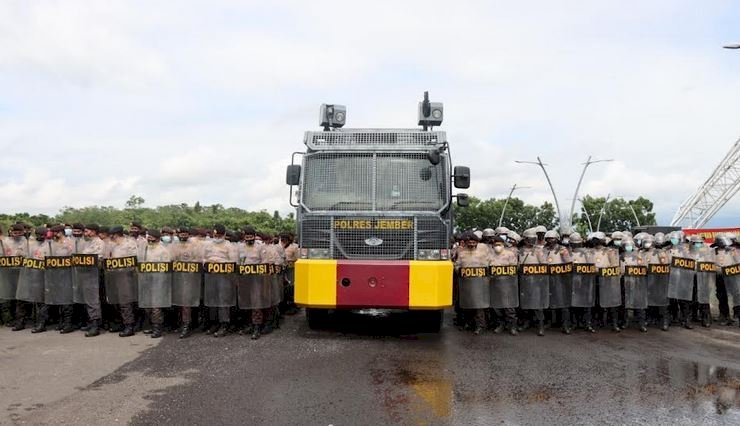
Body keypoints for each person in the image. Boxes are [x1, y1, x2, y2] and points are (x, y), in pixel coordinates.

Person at [202, 224, 238, 337]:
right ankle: (214, 323)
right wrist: (207, 262)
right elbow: (203, 258)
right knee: (212, 300)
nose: (217, 237)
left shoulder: (229, 246)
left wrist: (219, 262)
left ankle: (224, 324)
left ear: (224, 235)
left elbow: (234, 262)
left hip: (224, 277)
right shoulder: (207, 245)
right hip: (211, 276)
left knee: (223, 300)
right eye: (215, 235)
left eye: (220, 235)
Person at [454, 231, 492, 335]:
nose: (471, 244)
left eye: (473, 242)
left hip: (480, 283)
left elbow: (489, 265)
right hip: (467, 284)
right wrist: (459, 270)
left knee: (479, 306)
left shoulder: (483, 252)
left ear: (476, 242)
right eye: (469, 242)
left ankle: (480, 326)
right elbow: (457, 265)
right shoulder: (462, 253)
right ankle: (470, 324)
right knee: (468, 305)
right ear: (466, 242)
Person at [137, 229, 171, 338]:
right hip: (146, 280)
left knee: (156, 306)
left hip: (158, 281)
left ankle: (158, 328)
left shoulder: (163, 250)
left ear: (157, 238)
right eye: (148, 237)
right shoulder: (144, 249)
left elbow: (166, 267)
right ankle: (152, 325)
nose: (149, 239)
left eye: (152, 237)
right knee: (148, 306)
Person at [106, 225, 139, 337]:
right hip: (114, 276)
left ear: (116, 234)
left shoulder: (129, 244)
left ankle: (129, 326)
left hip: (126, 276)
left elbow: (134, 260)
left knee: (126, 301)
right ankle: (120, 323)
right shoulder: (112, 245)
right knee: (116, 301)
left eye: (111, 234)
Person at [170, 227, 203, 339]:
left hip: (190, 277)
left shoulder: (195, 246)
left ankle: (186, 326)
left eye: (185, 234)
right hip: (177, 277)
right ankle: (182, 323)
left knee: (186, 303)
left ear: (188, 235)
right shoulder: (174, 245)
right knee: (178, 302)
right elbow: (170, 259)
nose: (183, 236)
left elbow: (199, 260)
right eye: (181, 234)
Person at [518, 228, 548, 336]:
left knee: (537, 304)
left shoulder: (538, 251)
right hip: (524, 280)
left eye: (533, 238)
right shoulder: (519, 251)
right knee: (525, 303)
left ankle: (540, 326)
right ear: (525, 239)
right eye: (529, 239)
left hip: (536, 280)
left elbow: (544, 265)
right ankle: (526, 323)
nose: (531, 240)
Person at [543, 230, 573, 334]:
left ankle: (565, 325)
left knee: (562, 301)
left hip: (560, 278)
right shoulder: (544, 249)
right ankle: (549, 322)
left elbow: (569, 263)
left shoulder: (562, 249)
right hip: (547, 277)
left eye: (552, 238)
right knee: (548, 301)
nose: (550, 240)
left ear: (556, 239)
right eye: (548, 239)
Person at [488, 235, 518, 335]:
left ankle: (512, 326)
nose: (497, 246)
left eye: (499, 244)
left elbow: (514, 268)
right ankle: (500, 324)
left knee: (509, 306)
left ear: (503, 245)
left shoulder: (510, 254)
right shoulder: (489, 255)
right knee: (497, 307)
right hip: (494, 284)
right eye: (495, 245)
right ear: (492, 246)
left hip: (507, 284)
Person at [569, 232, 597, 333]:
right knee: (573, 304)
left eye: (577, 243)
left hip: (585, 280)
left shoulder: (586, 253)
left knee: (586, 304)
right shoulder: (568, 252)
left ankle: (587, 324)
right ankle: (574, 323)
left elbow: (592, 266)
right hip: (572, 281)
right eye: (574, 243)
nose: (576, 245)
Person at [643, 234, 671, 331]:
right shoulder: (642, 253)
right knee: (649, 302)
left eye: (649, 242)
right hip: (647, 279)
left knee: (662, 301)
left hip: (659, 279)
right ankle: (650, 319)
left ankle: (664, 321)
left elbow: (665, 263)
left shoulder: (659, 252)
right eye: (646, 242)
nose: (647, 244)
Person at [621, 237, 648, 332]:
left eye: (630, 245)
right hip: (626, 282)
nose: (628, 247)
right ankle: (625, 322)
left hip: (638, 282)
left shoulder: (638, 255)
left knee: (639, 304)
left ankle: (642, 324)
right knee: (625, 304)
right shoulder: (621, 256)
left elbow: (645, 267)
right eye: (626, 245)